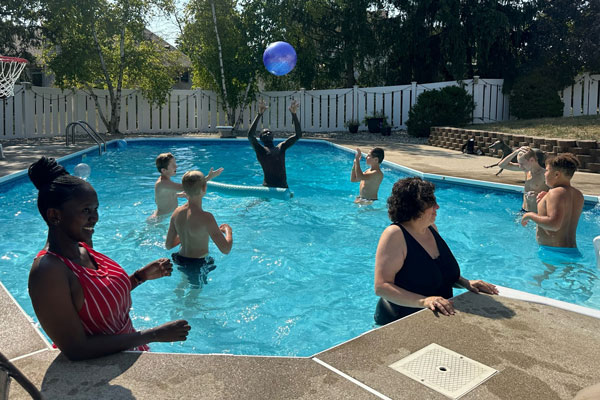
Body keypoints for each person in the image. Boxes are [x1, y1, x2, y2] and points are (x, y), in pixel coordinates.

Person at [27, 156, 191, 361]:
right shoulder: (48, 272)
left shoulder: (83, 246)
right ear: (54, 216)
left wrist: (139, 277)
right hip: (101, 371)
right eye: (86, 210)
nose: (95, 217)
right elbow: (76, 349)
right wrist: (155, 334)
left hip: (130, 352)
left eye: (95, 209)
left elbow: (97, 301)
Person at [374, 177, 498, 325]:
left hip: (436, 317)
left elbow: (439, 273)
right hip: (399, 321)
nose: (437, 207)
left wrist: (466, 283)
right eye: (431, 203)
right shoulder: (395, 235)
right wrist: (424, 301)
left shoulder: (431, 229)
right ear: (416, 207)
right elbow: (382, 287)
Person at [165, 170, 233, 280]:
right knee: (195, 293)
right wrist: (228, 231)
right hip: (198, 263)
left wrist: (185, 234)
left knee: (182, 285)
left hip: (179, 259)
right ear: (204, 188)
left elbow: (168, 245)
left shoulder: (176, 212)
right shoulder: (206, 218)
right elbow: (225, 249)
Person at [521, 153, 584, 251]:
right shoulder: (577, 194)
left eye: (546, 170)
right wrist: (547, 198)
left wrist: (529, 215)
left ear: (557, 174)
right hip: (572, 250)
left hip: (552, 253)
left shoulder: (555, 193)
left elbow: (554, 225)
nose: (545, 173)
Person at [247, 99, 302, 188]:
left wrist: (294, 114)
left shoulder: (281, 147)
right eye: (264, 133)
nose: (267, 133)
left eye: (269, 132)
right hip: (268, 187)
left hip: (283, 187)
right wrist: (259, 114)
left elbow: (298, 135)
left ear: (273, 137)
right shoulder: (261, 150)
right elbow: (250, 136)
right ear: (261, 139)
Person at [152, 152, 222, 217]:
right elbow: (189, 187)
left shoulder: (166, 181)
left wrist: (178, 195)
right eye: (173, 165)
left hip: (167, 215)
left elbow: (161, 197)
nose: (176, 166)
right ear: (163, 170)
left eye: (175, 163)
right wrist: (209, 177)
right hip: (160, 218)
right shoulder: (163, 183)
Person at [497, 146, 549, 212]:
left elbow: (558, 194)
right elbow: (502, 165)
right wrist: (515, 152)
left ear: (532, 160)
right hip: (523, 211)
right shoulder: (526, 170)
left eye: (522, 164)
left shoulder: (545, 175)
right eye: (519, 164)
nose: (520, 167)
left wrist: (539, 195)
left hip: (537, 213)